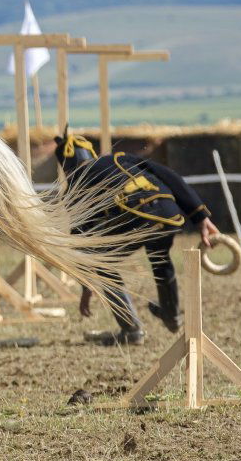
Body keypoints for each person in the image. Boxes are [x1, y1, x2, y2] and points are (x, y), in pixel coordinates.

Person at [54, 131, 219, 345]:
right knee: (160, 256)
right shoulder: (119, 158)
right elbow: (169, 177)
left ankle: (131, 329)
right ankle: (172, 316)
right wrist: (200, 216)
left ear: (67, 167)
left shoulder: (75, 186)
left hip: (135, 215)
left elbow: (82, 242)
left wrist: (87, 286)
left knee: (102, 261)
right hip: (168, 212)